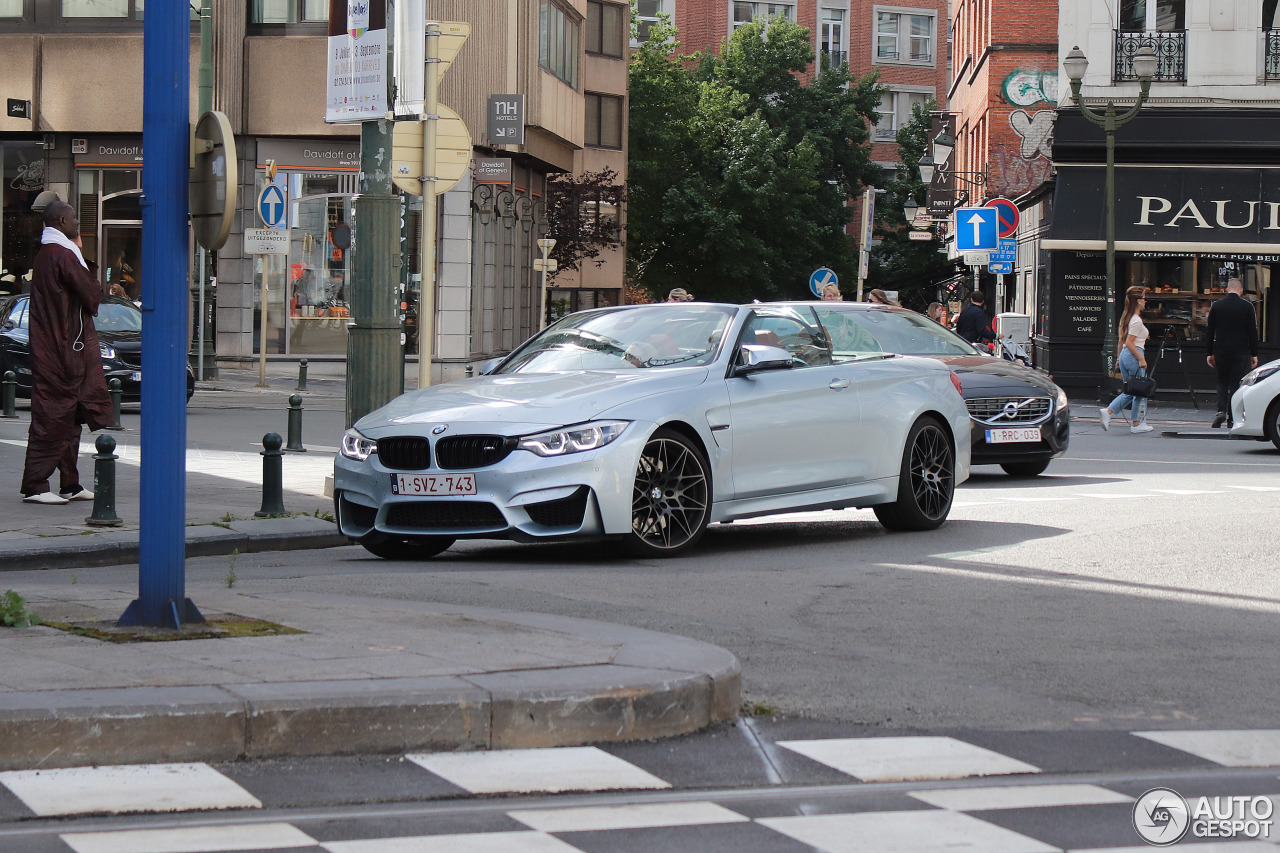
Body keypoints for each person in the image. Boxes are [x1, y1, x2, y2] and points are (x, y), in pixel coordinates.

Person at [19, 201, 114, 504]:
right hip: (63, 350)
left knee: (69, 416)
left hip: (56, 346)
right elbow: (93, 294)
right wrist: (83, 257)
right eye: (74, 219)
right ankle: (35, 485)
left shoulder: (48, 254)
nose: (77, 225)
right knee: (54, 415)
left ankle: (69, 483)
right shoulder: (63, 255)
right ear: (61, 221)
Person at [1099, 285, 1154, 434]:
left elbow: (1121, 342)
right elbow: (1130, 342)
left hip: (1125, 355)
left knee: (1133, 391)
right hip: (1133, 355)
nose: (1145, 301)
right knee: (1137, 391)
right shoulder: (1136, 320)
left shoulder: (1127, 318)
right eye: (1143, 298)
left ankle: (1136, 422)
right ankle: (1112, 413)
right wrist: (1141, 358)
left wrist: (1118, 359)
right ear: (1137, 300)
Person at [1205, 277, 1258, 428]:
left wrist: (1209, 352)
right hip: (1240, 351)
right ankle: (1232, 417)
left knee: (1222, 381)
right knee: (1235, 384)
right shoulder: (1247, 307)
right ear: (1240, 291)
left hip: (1221, 350)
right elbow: (1252, 332)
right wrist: (1254, 353)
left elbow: (1210, 330)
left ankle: (1220, 411)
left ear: (1227, 289)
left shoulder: (1217, 305)